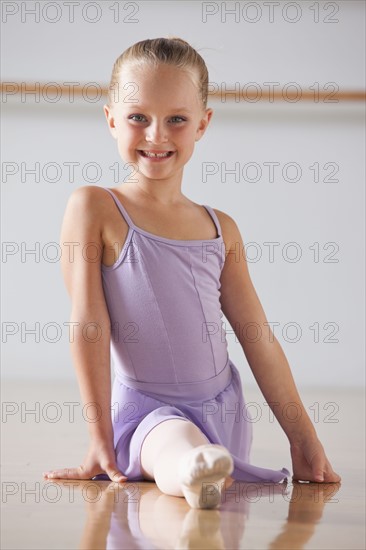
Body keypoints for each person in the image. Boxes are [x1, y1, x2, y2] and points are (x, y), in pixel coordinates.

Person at [43, 37, 341, 509]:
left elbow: (257, 336)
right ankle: (194, 470)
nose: (156, 135)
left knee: (196, 448)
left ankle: (205, 467)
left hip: (223, 411)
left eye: (176, 119)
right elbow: (89, 325)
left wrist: (303, 440)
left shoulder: (222, 229)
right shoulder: (96, 207)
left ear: (203, 124)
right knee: (172, 442)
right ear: (111, 119)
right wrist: (99, 437)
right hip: (145, 414)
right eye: (138, 117)